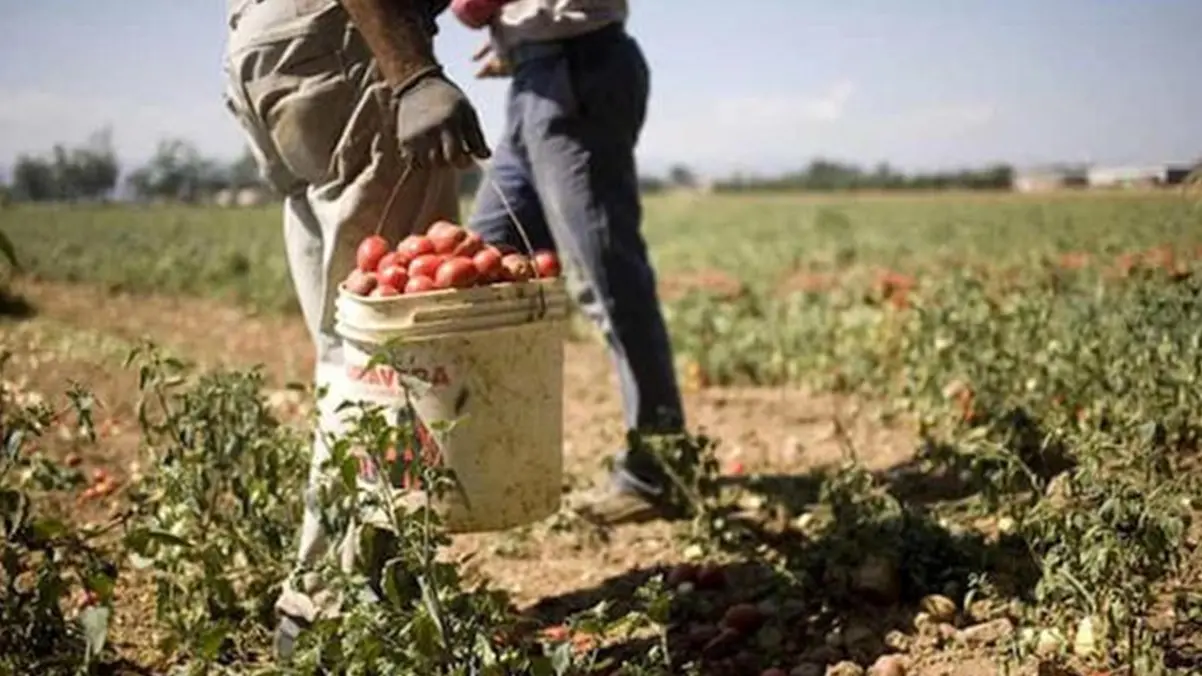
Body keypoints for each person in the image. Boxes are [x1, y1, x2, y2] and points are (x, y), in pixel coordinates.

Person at [221, 0, 491, 659]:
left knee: (353, 347)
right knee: (393, 352)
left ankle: (353, 597)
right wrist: (413, 72)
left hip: (275, 50)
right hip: (349, 45)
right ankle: (331, 611)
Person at [449, 0, 690, 526]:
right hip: (536, 75)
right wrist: (517, 38)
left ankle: (660, 470)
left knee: (607, 278)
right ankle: (486, 460)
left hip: (576, 71)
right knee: (482, 262)